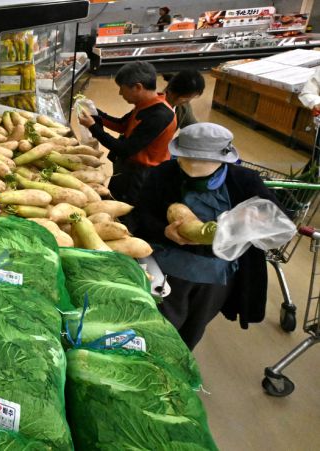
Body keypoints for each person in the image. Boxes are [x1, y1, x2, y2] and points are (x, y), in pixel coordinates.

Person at [136, 123, 282, 350]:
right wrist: (164, 231)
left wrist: (246, 224)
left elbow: (276, 219)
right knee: (159, 325)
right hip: (166, 269)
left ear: (223, 159)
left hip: (216, 275)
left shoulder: (245, 181)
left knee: (192, 329)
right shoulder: (162, 174)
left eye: (203, 159)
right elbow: (141, 213)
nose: (194, 164)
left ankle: (179, 361)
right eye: (189, 157)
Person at [79, 61, 177, 222]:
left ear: (137, 87)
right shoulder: (144, 105)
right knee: (112, 201)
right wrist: (95, 113)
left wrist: (93, 127)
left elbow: (124, 149)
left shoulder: (160, 115)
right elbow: (122, 125)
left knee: (125, 212)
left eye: (122, 88)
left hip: (140, 175)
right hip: (126, 168)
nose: (120, 93)